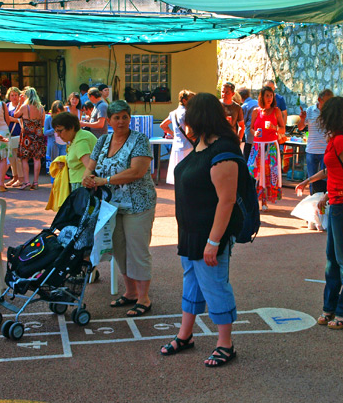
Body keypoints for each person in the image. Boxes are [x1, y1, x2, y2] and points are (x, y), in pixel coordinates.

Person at [160, 92, 240, 367]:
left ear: (200, 116)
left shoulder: (223, 150)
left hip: (209, 234)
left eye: (189, 114)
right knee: (192, 283)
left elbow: (227, 200)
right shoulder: (202, 143)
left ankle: (225, 344)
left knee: (214, 284)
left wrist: (214, 241)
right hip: (191, 232)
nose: (186, 120)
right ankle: (185, 336)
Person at [295, 96, 343, 329]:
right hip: (337, 203)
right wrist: (316, 187)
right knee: (333, 261)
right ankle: (331, 308)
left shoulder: (342, 142)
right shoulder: (342, 139)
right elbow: (333, 171)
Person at [82, 100, 156, 317]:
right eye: (117, 117)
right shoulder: (103, 140)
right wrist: (88, 178)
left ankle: (144, 298)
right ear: (110, 120)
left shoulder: (139, 140)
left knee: (138, 250)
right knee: (120, 249)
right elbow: (90, 167)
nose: (121, 121)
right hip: (112, 206)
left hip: (138, 204)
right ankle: (131, 292)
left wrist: (104, 180)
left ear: (129, 118)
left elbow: (137, 171)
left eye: (125, 116)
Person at [248, 86, 284, 211]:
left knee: (269, 173)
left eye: (271, 95)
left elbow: (283, 129)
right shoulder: (256, 111)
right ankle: (254, 199)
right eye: (267, 95)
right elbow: (251, 128)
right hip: (258, 145)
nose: (269, 98)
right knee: (254, 172)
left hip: (271, 146)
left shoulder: (276, 111)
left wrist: (274, 128)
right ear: (262, 97)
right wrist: (254, 133)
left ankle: (264, 201)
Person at [297, 88, 334, 194]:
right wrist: (302, 119)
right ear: (319, 99)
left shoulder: (331, 113)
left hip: (326, 150)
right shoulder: (310, 110)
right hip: (311, 150)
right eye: (326, 102)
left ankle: (325, 201)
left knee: (326, 179)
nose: (328, 104)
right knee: (312, 180)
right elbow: (300, 127)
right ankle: (313, 200)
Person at [52, 112, 97, 191]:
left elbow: (90, 167)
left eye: (60, 131)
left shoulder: (80, 140)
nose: (58, 135)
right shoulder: (76, 138)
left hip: (83, 187)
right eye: (56, 132)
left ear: (71, 127)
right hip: (80, 184)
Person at [159, 90, 194, 185]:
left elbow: (163, 125)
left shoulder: (173, 113)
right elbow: (189, 133)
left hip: (176, 147)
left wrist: (173, 134)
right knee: (189, 176)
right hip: (188, 147)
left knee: (178, 176)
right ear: (184, 100)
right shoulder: (187, 113)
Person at [15, 87, 46, 190]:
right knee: (37, 158)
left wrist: (19, 103)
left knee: (24, 159)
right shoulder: (41, 108)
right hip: (38, 135)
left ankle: (27, 182)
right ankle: (36, 182)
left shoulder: (25, 107)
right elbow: (43, 123)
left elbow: (15, 115)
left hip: (27, 136)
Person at [5, 87, 24, 188]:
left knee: (18, 158)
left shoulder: (21, 106)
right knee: (11, 158)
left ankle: (21, 178)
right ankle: (14, 177)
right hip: (9, 135)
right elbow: (6, 118)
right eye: (12, 95)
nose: (14, 97)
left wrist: (14, 119)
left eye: (16, 95)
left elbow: (20, 119)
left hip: (18, 133)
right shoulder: (7, 106)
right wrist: (15, 119)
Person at [239, 87, 258, 161]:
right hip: (259, 132)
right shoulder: (256, 102)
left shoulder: (244, 106)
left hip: (250, 133)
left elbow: (242, 121)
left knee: (247, 154)